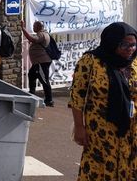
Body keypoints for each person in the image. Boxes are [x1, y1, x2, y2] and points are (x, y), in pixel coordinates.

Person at [69, 22, 137, 181]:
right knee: (99, 170)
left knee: (129, 168)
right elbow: (77, 96)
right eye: (124, 44)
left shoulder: (134, 62)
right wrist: (79, 127)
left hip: (132, 130)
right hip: (100, 131)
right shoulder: (90, 61)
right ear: (112, 42)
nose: (130, 49)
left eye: (133, 45)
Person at [21, 20, 54, 107]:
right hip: (39, 62)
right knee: (31, 75)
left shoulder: (41, 34)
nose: (33, 27)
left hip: (41, 62)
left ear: (39, 27)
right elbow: (36, 41)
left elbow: (32, 39)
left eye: (34, 26)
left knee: (44, 80)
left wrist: (23, 29)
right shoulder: (43, 33)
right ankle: (32, 94)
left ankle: (49, 100)